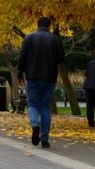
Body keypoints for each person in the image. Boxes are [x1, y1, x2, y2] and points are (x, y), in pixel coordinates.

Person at [18, 17, 64, 149]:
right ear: (49, 26)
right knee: (45, 107)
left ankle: (35, 125)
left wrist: (20, 73)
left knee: (32, 104)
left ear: (37, 25)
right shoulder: (55, 39)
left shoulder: (29, 38)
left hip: (32, 76)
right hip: (49, 77)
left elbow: (22, 56)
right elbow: (61, 58)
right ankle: (45, 139)